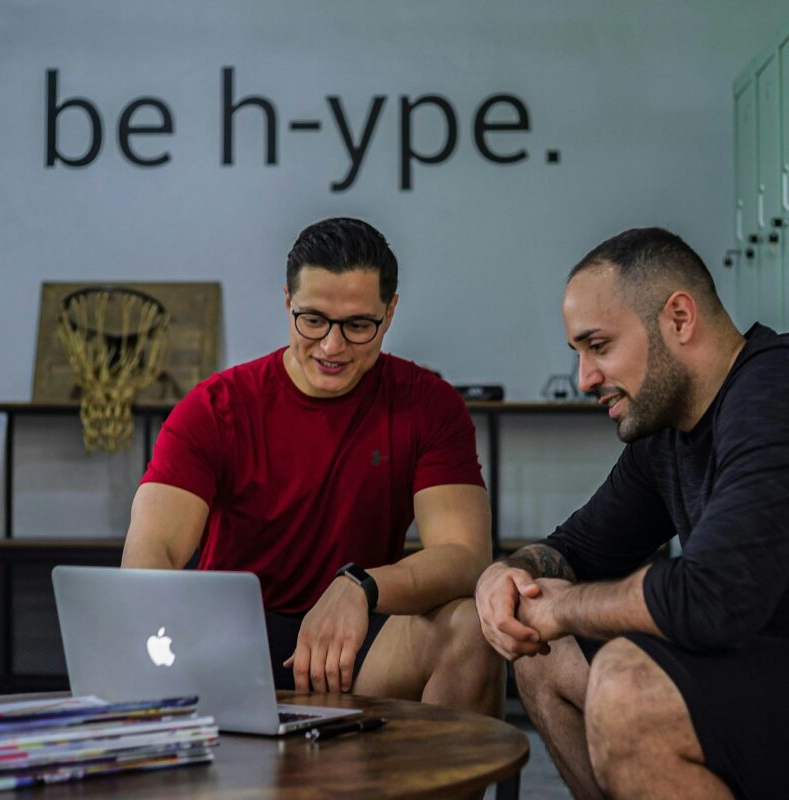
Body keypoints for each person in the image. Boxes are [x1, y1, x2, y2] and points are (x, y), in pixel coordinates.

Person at [122, 216, 503, 717]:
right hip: (232, 643)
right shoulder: (215, 407)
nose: (331, 346)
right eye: (313, 320)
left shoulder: (428, 406)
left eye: (358, 326)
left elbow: (463, 555)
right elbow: (152, 552)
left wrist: (360, 587)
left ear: (389, 314)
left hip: (359, 637)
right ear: (287, 302)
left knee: (472, 629)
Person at [475, 227, 789, 799]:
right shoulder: (665, 434)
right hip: (753, 673)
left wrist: (567, 607)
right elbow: (573, 549)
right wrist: (507, 573)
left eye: (599, 346)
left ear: (678, 318)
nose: (584, 379)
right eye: (578, 354)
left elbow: (714, 595)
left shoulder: (774, 390)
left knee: (629, 685)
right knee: (541, 652)